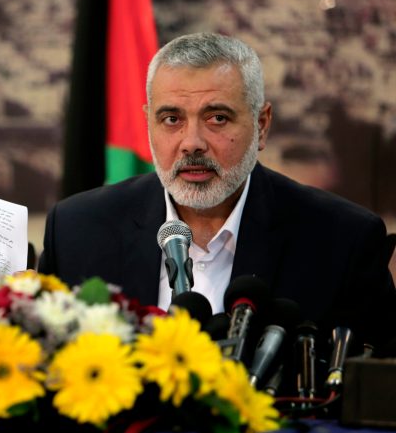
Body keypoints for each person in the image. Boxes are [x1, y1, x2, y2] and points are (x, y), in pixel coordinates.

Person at [39, 32, 396, 349]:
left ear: (261, 125)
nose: (191, 143)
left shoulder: (342, 241)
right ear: (148, 123)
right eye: (172, 119)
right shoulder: (76, 231)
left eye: (217, 118)